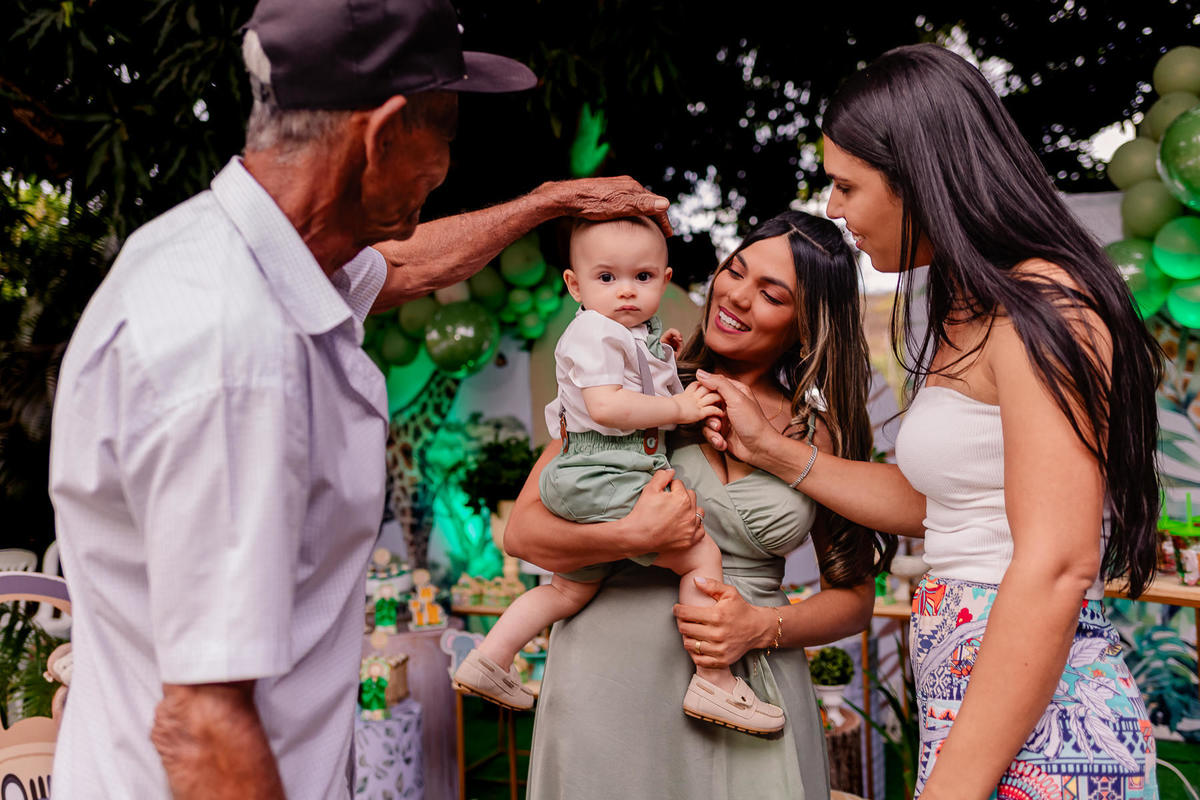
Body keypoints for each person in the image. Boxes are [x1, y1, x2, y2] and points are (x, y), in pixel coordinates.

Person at [46, 1, 673, 797]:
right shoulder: (234, 354)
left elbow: (404, 269)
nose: (447, 162)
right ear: (379, 136)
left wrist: (549, 202)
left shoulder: (232, 253)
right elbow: (201, 723)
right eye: (444, 131)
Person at [698, 44, 1163, 799]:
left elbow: (1055, 564)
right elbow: (939, 508)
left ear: (919, 176)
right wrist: (770, 451)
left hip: (1045, 720)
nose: (835, 209)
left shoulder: (1045, 308)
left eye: (848, 185)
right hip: (978, 696)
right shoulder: (966, 302)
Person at [504, 210, 896, 798]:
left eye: (771, 294)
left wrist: (761, 627)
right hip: (608, 680)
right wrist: (630, 536)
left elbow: (854, 601)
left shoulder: (819, 434)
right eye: (735, 272)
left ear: (807, 324)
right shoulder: (631, 390)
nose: (735, 296)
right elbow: (523, 532)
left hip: (751, 686)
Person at [453, 216, 783, 734]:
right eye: (607, 278)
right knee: (700, 552)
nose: (626, 291)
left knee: (567, 591)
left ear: (665, 278)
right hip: (605, 466)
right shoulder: (591, 330)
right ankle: (714, 681)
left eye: (643, 278)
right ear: (574, 284)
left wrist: (660, 356)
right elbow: (607, 407)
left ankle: (490, 658)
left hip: (591, 475)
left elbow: (632, 377)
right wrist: (680, 407)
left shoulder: (625, 334)